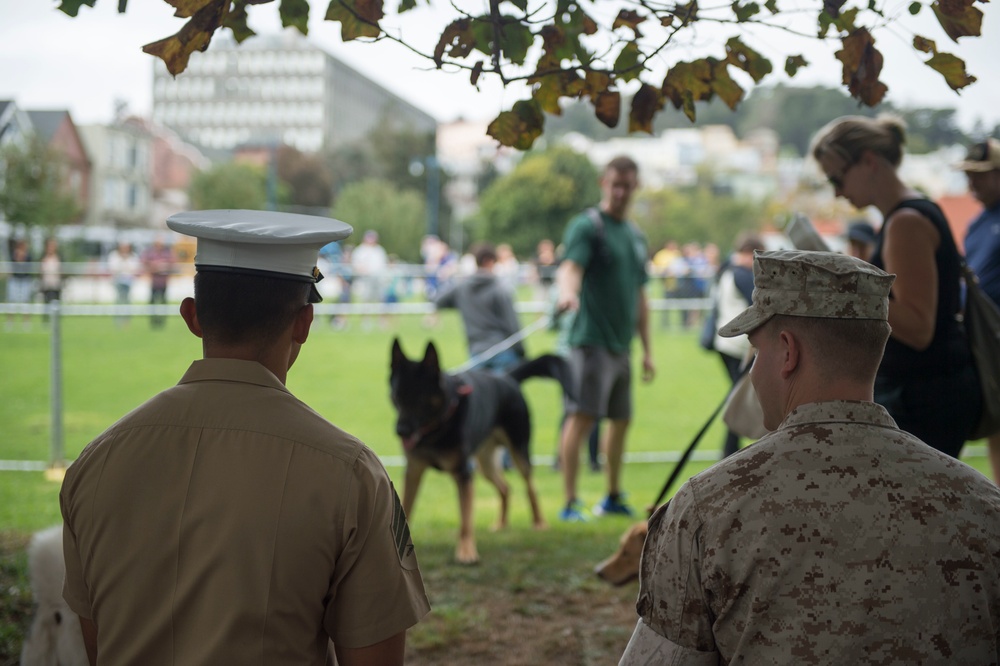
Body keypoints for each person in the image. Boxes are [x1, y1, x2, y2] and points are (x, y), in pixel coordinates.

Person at [60, 210, 430, 666]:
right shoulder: (349, 473)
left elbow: (97, 645)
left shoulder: (94, 464)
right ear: (304, 323)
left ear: (192, 316)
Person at [620, 250, 1000, 664]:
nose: (751, 371)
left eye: (754, 351)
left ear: (787, 352)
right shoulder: (983, 506)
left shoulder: (707, 508)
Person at [810, 114, 981, 458]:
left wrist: (849, 284)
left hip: (925, 396)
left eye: (837, 177)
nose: (838, 191)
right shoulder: (906, 216)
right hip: (927, 392)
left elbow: (919, 327)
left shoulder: (906, 223)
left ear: (869, 161)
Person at [555, 155, 654, 522]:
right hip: (590, 341)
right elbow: (570, 268)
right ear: (603, 183)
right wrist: (567, 293)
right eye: (615, 184)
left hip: (621, 346)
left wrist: (647, 350)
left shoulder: (634, 235)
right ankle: (569, 502)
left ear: (636, 187)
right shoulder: (587, 226)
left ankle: (612, 495)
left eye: (627, 185)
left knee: (621, 420)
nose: (620, 192)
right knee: (581, 418)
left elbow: (641, 297)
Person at [957, 137, 1000, 483]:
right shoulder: (976, 225)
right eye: (969, 175)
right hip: (985, 339)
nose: (972, 183)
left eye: (981, 175)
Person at [709, 233, 765, 458]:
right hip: (739, 346)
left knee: (739, 397)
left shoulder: (727, 270)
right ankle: (730, 452)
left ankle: (730, 451)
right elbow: (759, 302)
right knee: (741, 400)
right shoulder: (741, 273)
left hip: (728, 344)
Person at [434, 242, 525, 372]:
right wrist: (521, 351)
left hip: (477, 352)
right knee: (503, 391)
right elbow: (512, 323)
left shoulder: (462, 288)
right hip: (503, 351)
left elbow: (438, 300)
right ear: (489, 261)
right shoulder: (500, 288)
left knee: (480, 391)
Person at [351, 230, 388, 329]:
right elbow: (356, 265)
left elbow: (383, 265)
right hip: (366, 279)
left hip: (378, 279)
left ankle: (382, 322)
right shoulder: (360, 251)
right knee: (366, 301)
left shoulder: (379, 250)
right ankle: (366, 322)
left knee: (381, 300)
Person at [141, 236, 175, 329]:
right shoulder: (150, 253)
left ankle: (162, 322)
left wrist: (162, 267)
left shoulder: (167, 253)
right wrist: (155, 267)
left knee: (163, 302)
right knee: (152, 302)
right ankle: (153, 321)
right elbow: (144, 263)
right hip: (154, 282)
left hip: (163, 282)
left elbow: (172, 264)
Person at [107, 241, 141, 327]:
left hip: (128, 282)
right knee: (119, 301)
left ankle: (126, 321)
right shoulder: (114, 255)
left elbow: (134, 268)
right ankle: (118, 321)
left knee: (127, 301)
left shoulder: (133, 256)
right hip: (118, 281)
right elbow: (113, 268)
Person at [5, 238, 34, 331]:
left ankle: (26, 323)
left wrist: (23, 257)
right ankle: (10, 322)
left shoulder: (28, 256)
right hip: (15, 280)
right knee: (12, 302)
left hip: (25, 280)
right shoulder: (14, 254)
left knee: (25, 302)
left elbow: (29, 265)